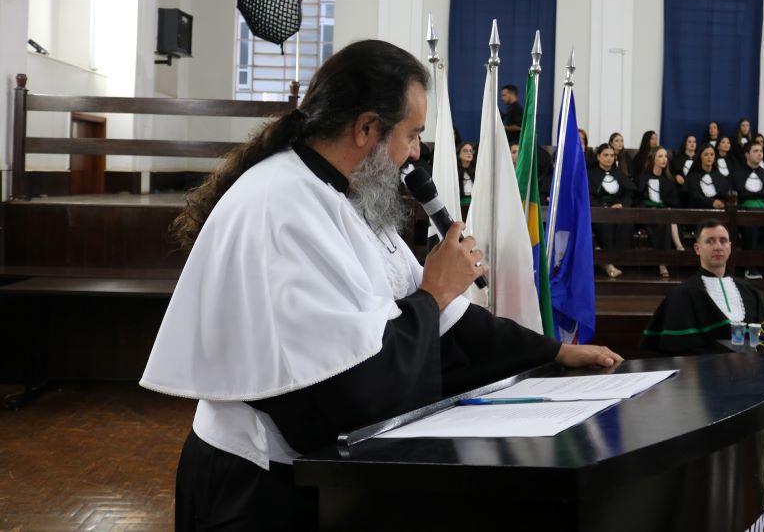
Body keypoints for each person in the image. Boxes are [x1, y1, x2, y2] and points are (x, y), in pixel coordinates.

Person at [140, 40, 623, 530]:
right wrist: (434, 292)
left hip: (301, 475)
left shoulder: (348, 194)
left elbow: (448, 329)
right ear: (367, 127)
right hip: (256, 487)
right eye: (412, 135)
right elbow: (349, 385)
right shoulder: (282, 206)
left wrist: (553, 353)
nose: (415, 153)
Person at [641, 219, 764, 355]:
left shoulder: (749, 292)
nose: (718, 247)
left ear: (730, 247)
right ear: (697, 248)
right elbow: (678, 349)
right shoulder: (682, 294)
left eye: (723, 241)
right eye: (710, 241)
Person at [731, 140, 764, 280]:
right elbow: (732, 198)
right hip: (744, 214)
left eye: (761, 151)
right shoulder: (736, 175)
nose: (760, 154)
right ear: (747, 154)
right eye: (755, 151)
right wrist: (744, 209)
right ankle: (751, 266)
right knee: (752, 222)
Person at [589, 143, 637, 278]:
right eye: (605, 155)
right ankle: (608, 263)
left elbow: (630, 193)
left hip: (619, 210)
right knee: (606, 225)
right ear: (598, 157)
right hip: (600, 211)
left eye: (612, 155)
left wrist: (621, 204)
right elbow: (588, 196)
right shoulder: (590, 174)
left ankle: (620, 263)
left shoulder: (619, 173)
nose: (609, 158)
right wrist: (604, 207)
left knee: (626, 225)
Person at [637, 146, 684, 278]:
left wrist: (666, 207)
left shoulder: (668, 180)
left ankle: (664, 261)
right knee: (664, 221)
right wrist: (649, 208)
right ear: (653, 159)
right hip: (648, 214)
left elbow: (674, 202)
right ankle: (673, 252)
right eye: (660, 156)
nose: (664, 159)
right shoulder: (643, 177)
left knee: (667, 218)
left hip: (665, 214)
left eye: (665, 157)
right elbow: (638, 199)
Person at [685, 143, 731, 210]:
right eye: (706, 154)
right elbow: (695, 197)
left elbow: (727, 194)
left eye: (712, 154)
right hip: (699, 211)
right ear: (700, 156)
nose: (709, 157)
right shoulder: (692, 176)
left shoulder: (719, 176)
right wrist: (711, 202)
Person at [457, 141, 476, 206]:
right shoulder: (455, 173)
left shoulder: (477, 172)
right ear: (459, 154)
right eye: (465, 151)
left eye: (471, 151)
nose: (469, 153)